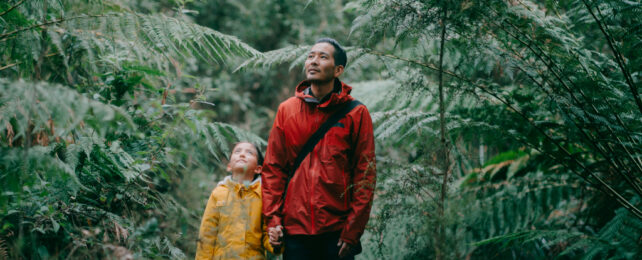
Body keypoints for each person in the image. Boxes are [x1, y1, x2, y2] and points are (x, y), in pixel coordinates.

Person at [262, 38, 376, 260]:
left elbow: (365, 175)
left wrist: (353, 231)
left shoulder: (356, 113)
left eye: (323, 57)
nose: (313, 61)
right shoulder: (287, 110)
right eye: (310, 56)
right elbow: (273, 168)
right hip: (294, 231)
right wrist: (273, 220)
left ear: (338, 70)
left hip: (336, 233)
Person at [195, 142, 281, 260]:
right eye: (237, 151)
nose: (242, 155)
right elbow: (207, 235)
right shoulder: (218, 193)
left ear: (258, 169)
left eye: (249, 152)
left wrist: (275, 242)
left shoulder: (264, 196)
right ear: (229, 166)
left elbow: (267, 234)